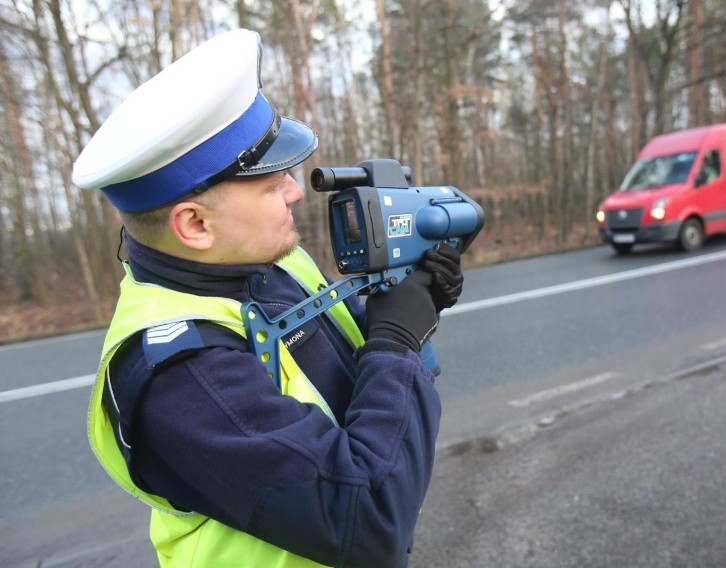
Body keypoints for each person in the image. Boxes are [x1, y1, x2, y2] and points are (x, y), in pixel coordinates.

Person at [72, 29, 464, 568]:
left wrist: (407, 306)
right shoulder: (183, 377)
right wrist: (398, 344)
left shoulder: (259, 262)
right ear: (194, 224)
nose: (295, 190)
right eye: (270, 183)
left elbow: (355, 377)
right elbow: (370, 518)